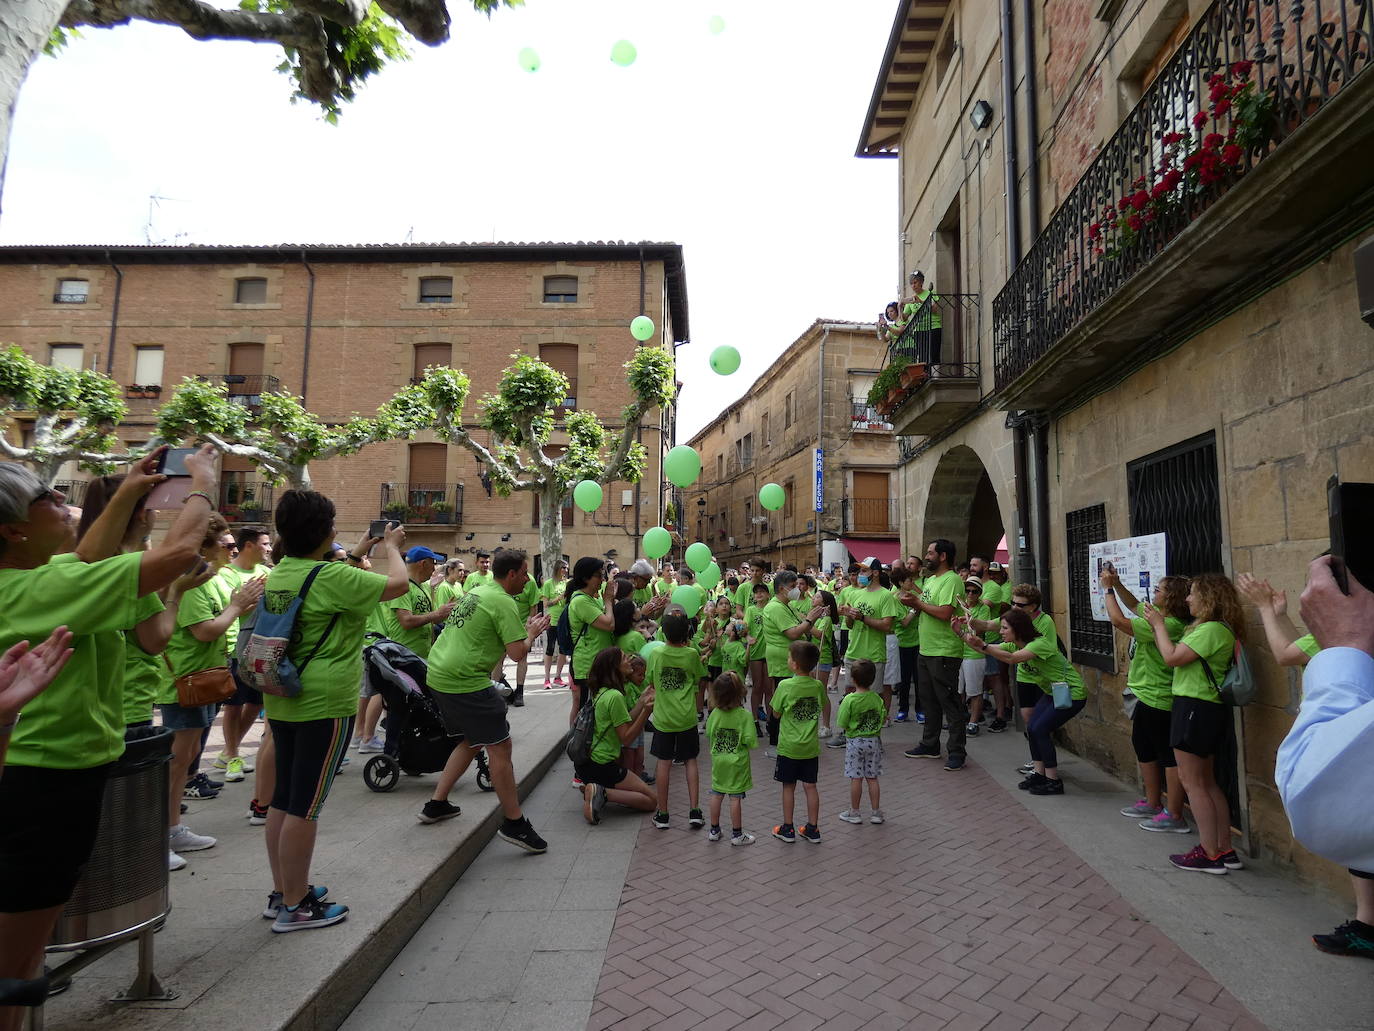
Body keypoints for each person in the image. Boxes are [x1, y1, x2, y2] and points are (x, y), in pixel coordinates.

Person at [0, 447, 220, 1018]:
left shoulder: (40, 576)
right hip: (44, 782)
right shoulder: (33, 590)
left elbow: (87, 557)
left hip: (49, 773)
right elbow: (177, 555)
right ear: (13, 532)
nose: (60, 498)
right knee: (14, 969)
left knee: (26, 953)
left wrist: (126, 490)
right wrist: (203, 484)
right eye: (45, 498)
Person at [257, 493, 402, 930]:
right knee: (307, 805)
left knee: (283, 799)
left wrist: (360, 547)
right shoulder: (331, 577)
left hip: (281, 692)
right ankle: (298, 907)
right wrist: (391, 547)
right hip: (323, 701)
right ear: (325, 530)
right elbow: (396, 586)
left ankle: (283, 891)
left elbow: (335, 573)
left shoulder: (282, 570)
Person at [421, 548, 551, 852]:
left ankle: (436, 804)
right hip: (464, 679)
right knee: (500, 745)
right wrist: (531, 632)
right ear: (512, 574)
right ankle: (514, 823)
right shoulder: (503, 601)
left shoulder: (478, 591)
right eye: (524, 573)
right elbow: (518, 652)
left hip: (438, 672)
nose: (528, 580)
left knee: (471, 738)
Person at [1279, 556, 1374, 958]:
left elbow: (1312, 798)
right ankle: (1366, 923)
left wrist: (1346, 647)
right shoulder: (1329, 636)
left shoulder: (1338, 637)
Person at [162, 515, 266, 862]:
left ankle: (174, 829)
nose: (234, 549)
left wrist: (244, 604)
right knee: (179, 760)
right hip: (187, 679)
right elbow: (205, 630)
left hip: (205, 676)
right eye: (227, 544)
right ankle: (161, 834)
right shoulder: (191, 581)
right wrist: (238, 606)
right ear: (205, 546)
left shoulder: (212, 579)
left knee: (188, 756)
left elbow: (228, 617)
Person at [1144, 572, 1246, 875]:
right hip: (1205, 708)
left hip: (1193, 707)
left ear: (1208, 597)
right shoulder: (1220, 628)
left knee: (1193, 783)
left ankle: (1209, 852)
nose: (1187, 599)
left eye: (1193, 593)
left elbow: (1172, 657)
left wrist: (1159, 626)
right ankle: (1224, 848)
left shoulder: (1212, 629)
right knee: (1207, 782)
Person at [1102, 568, 1192, 833]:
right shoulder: (1158, 617)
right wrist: (1118, 584)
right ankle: (1153, 802)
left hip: (1159, 695)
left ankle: (1174, 814)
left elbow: (1119, 621)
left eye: (1159, 590)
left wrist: (1106, 589)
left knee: (1167, 756)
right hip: (1144, 694)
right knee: (1144, 747)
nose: (1154, 593)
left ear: (1171, 598)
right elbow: (1132, 604)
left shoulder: (1169, 624)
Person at [966, 607, 1086, 795]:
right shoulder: (1017, 644)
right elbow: (990, 650)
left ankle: (1053, 781)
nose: (1000, 632)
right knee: (1032, 728)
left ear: (1018, 629)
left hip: (1071, 693)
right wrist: (961, 633)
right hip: (1052, 692)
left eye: (1005, 628)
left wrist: (982, 645)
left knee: (1040, 729)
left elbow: (1011, 659)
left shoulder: (1039, 644)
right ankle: (1039, 774)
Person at [901, 539, 968, 770]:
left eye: (930, 553)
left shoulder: (952, 580)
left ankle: (957, 751)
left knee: (949, 702)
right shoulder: (930, 580)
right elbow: (925, 607)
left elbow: (944, 612)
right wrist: (913, 602)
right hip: (926, 649)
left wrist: (917, 603)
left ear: (943, 556)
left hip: (944, 651)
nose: (926, 556)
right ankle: (930, 744)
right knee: (929, 701)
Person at [216, 524, 273, 780]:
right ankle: (232, 757)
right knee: (234, 705)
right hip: (236, 649)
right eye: (264, 544)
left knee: (254, 704)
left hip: (260, 648)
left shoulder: (265, 571)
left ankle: (229, 752)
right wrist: (251, 599)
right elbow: (234, 607)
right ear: (249, 546)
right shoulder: (227, 573)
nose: (269, 549)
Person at [576, 647, 656, 825]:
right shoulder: (615, 696)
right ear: (615, 667)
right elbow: (626, 738)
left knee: (643, 794)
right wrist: (647, 712)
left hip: (588, 764)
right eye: (624, 658)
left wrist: (642, 701)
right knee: (651, 801)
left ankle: (595, 788)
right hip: (602, 765)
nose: (629, 659)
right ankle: (601, 792)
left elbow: (625, 721)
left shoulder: (603, 691)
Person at [646, 611, 709, 830]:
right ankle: (694, 811)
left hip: (663, 718)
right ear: (686, 634)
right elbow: (699, 677)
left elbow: (650, 681)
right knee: (690, 761)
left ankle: (663, 814)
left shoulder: (656, 654)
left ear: (663, 632)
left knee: (663, 764)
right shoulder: (691, 654)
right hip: (687, 718)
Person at [761, 570, 826, 758]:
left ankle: (789, 737)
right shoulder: (775, 607)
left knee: (788, 698)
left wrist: (814, 617)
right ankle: (775, 743)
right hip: (783, 659)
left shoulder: (786, 605)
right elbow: (793, 633)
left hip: (790, 657)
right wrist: (810, 620)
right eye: (793, 586)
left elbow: (801, 624)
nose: (797, 590)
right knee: (780, 701)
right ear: (782, 588)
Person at [770, 640, 825, 844]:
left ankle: (788, 828)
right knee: (810, 786)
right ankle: (812, 827)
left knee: (788, 787)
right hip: (810, 747)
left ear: (794, 664)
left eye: (789, 657)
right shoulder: (818, 685)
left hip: (789, 747)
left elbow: (775, 713)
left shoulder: (785, 685)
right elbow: (822, 705)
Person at [705, 671, 757, 845]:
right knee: (735, 798)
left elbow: (709, 734)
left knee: (716, 793)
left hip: (718, 761)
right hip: (737, 763)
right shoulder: (744, 716)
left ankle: (714, 829)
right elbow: (750, 741)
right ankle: (736, 834)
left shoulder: (714, 714)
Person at [566, 557, 615, 734]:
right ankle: (579, 750)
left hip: (598, 663)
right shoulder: (581, 601)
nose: (602, 579)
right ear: (586, 578)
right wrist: (608, 600)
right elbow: (609, 624)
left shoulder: (591, 599)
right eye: (598, 575)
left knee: (598, 713)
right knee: (587, 714)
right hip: (588, 665)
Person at [836, 658, 885, 825]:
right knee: (872, 777)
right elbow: (882, 718)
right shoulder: (877, 699)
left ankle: (855, 812)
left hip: (855, 742)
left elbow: (842, 722)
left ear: (853, 679)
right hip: (873, 741)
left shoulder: (849, 700)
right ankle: (876, 812)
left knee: (856, 778)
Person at [957, 577, 991, 735]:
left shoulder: (983, 608)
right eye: (968, 590)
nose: (970, 593)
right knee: (958, 690)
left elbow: (982, 629)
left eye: (974, 591)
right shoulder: (959, 605)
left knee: (974, 690)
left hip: (974, 654)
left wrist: (969, 620)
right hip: (958, 651)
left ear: (979, 593)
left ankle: (973, 722)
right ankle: (959, 718)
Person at [980, 562, 1011, 731]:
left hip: (997, 637)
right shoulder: (992, 586)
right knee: (993, 676)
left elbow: (1004, 607)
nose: (993, 576)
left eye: (996, 574)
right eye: (991, 574)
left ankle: (1006, 708)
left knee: (1000, 676)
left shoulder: (1002, 588)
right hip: (990, 634)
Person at [541, 559, 570, 688]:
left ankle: (558, 677)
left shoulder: (567, 583)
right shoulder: (548, 584)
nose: (566, 570)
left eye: (567, 568)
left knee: (563, 650)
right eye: (564, 568)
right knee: (550, 649)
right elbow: (546, 604)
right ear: (558, 568)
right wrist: (559, 597)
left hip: (564, 620)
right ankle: (546, 679)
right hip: (552, 620)